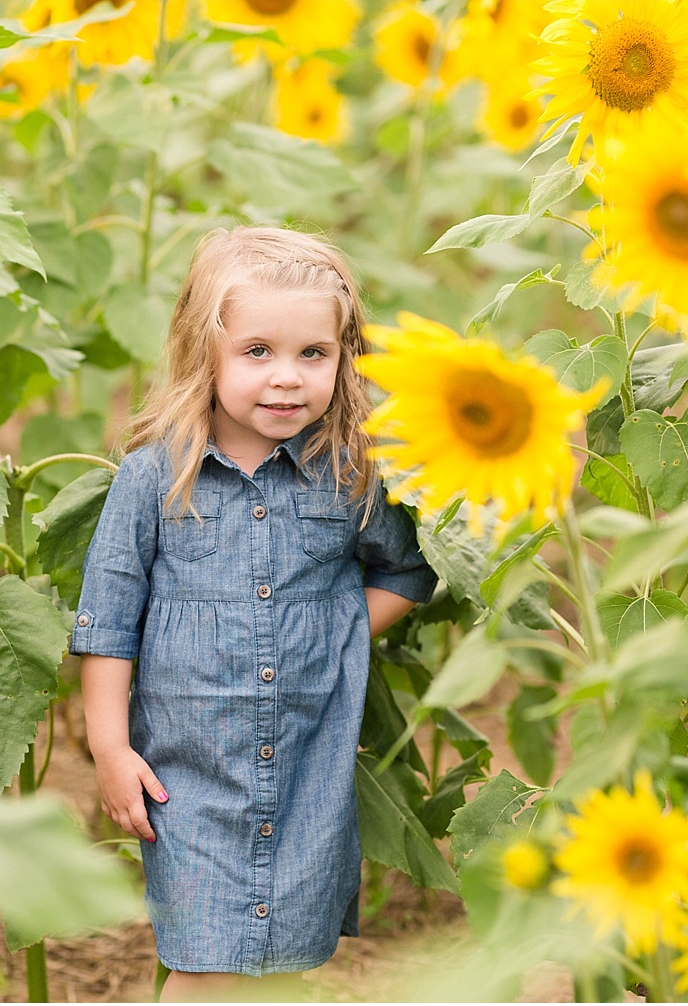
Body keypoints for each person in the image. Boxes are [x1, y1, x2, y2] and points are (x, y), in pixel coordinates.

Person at [72, 226, 438, 1000]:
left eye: (313, 354)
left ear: (343, 359)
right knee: (204, 960)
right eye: (256, 352)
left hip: (306, 764)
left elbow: (406, 571)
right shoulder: (152, 480)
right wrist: (109, 747)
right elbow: (107, 623)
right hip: (187, 774)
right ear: (203, 352)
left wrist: (336, 630)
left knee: (286, 961)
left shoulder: (346, 475)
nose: (286, 379)